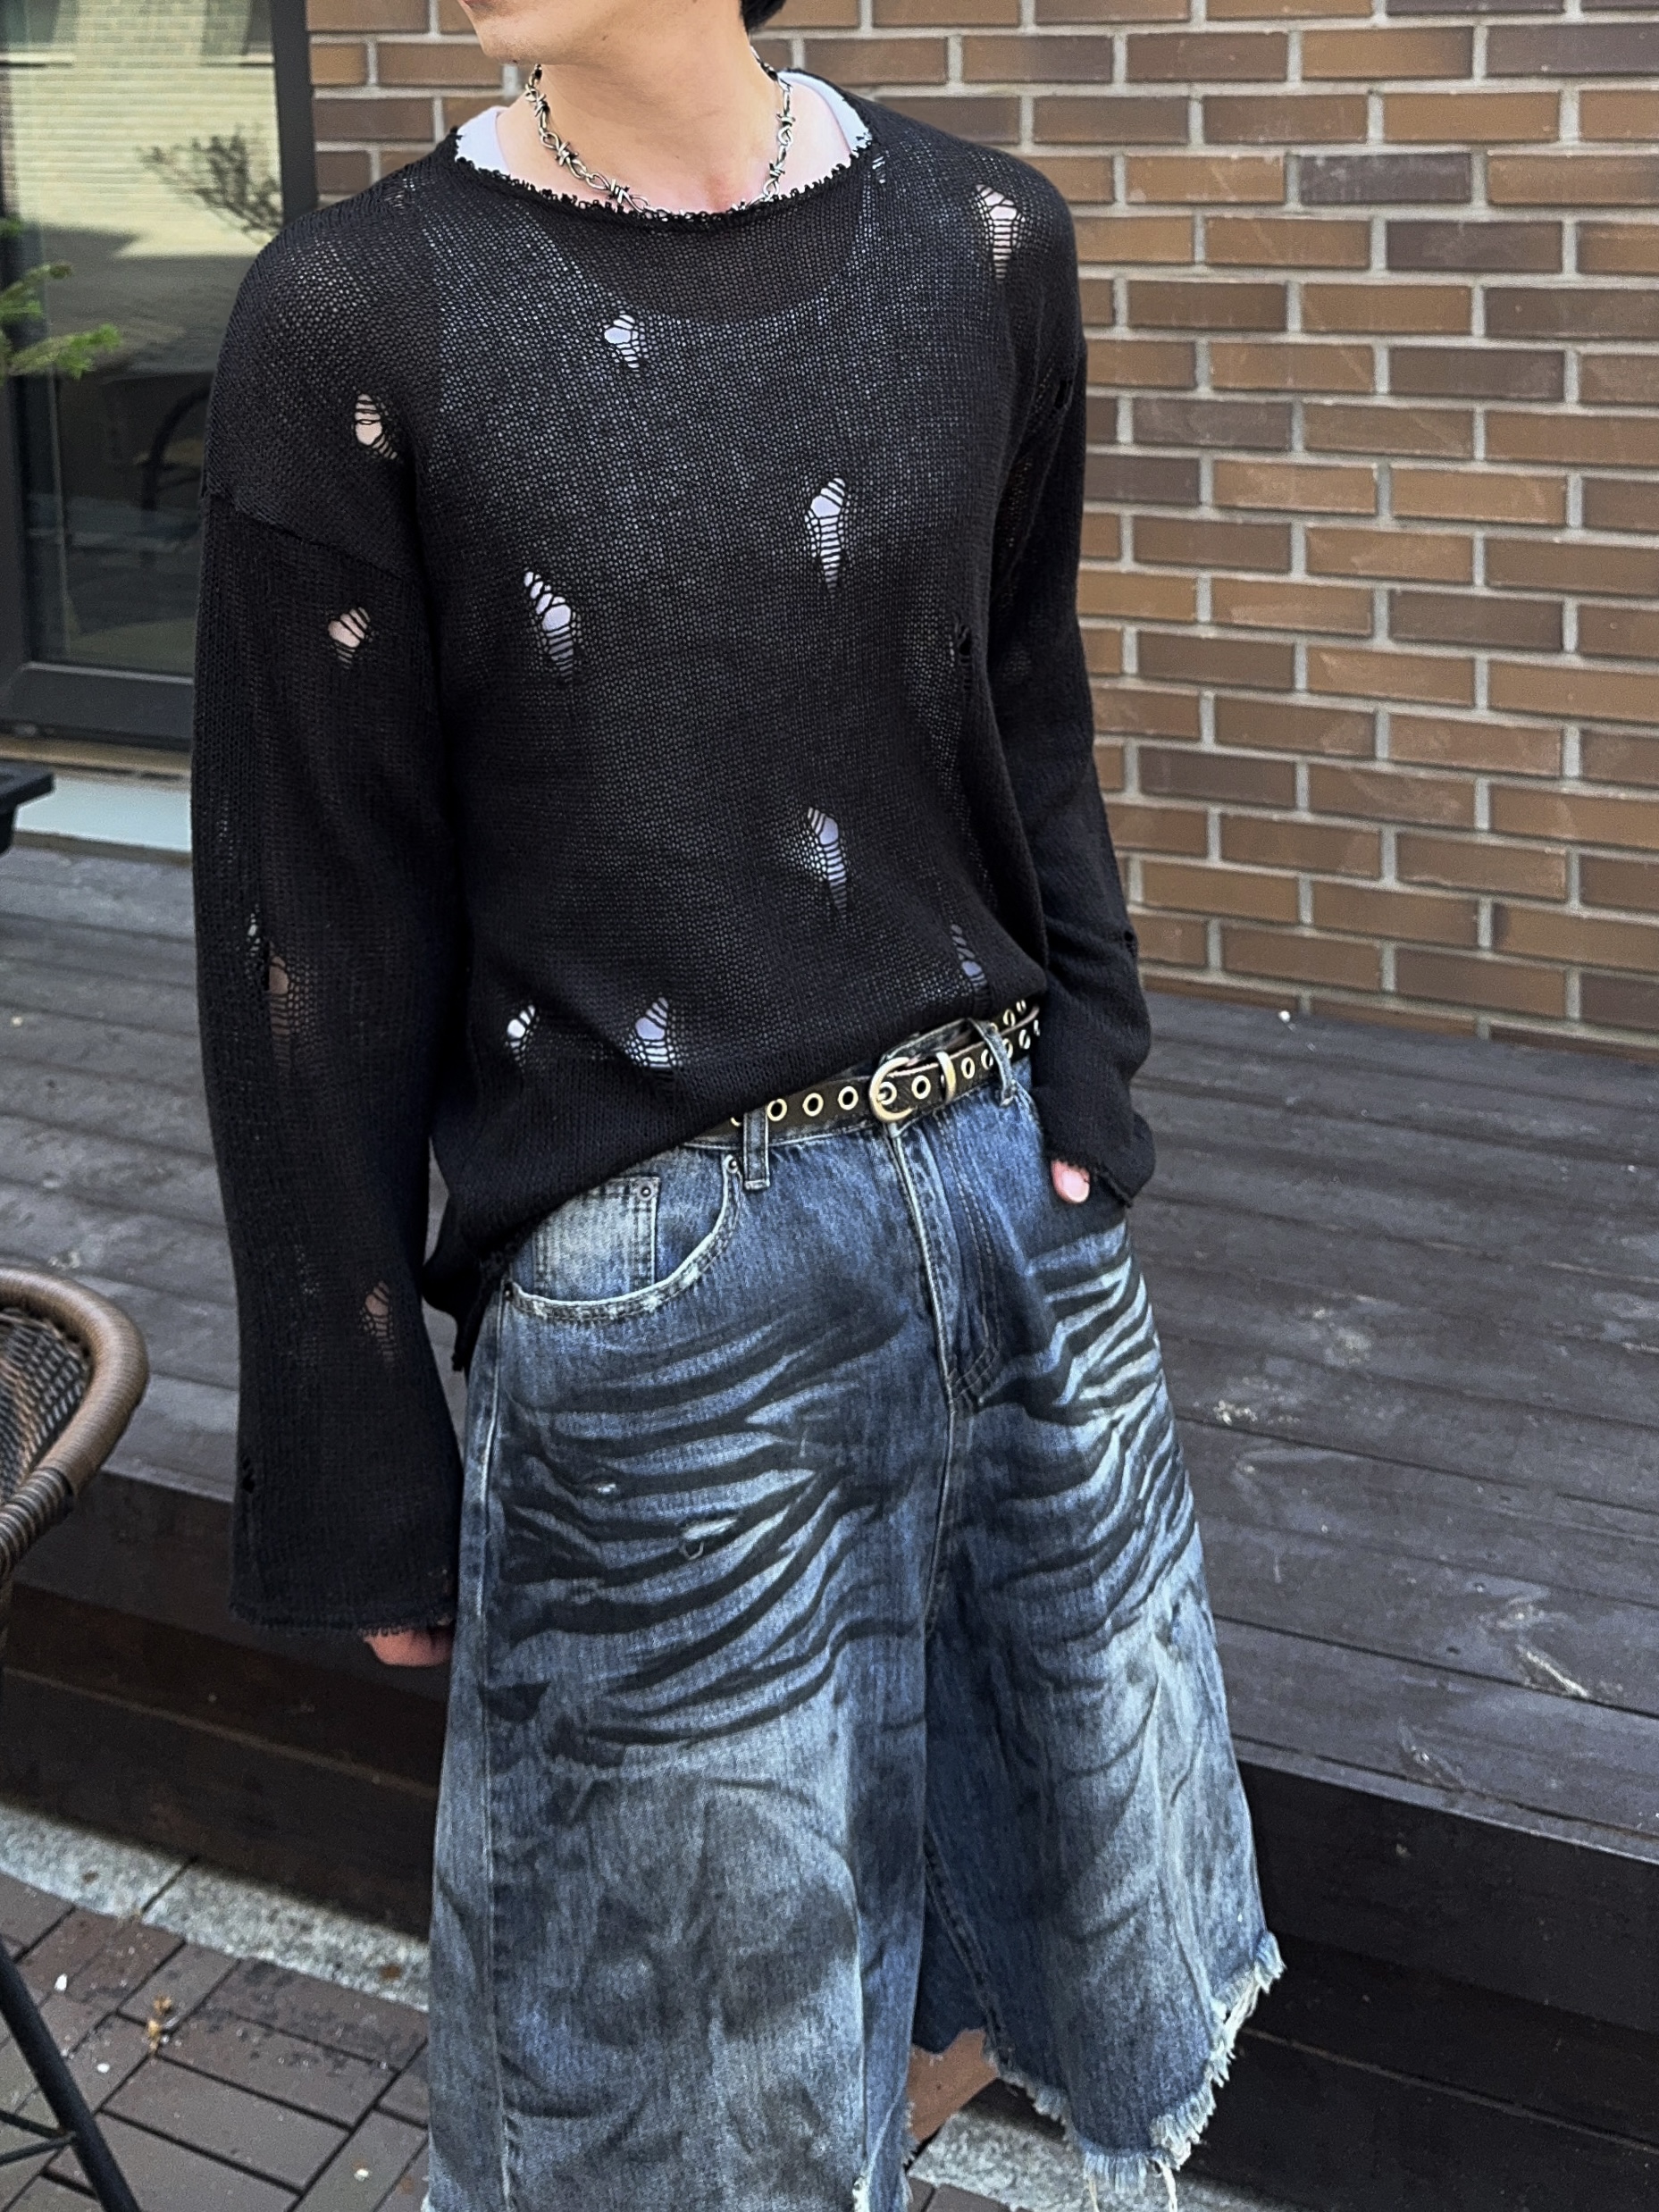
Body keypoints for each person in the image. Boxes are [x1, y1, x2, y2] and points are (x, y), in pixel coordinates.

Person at [191, 0, 1281, 2203]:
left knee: (1014, 1923)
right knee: (676, 2103)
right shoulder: (357, 314)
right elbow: (311, 907)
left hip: (1005, 1211)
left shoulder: (983, 241)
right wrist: (352, 1425)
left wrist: (1090, 1042)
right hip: (658, 1296)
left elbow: (1022, 682)